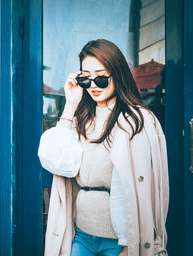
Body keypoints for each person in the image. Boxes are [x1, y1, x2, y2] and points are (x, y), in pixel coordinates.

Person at [38, 39, 169, 256]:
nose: (94, 86)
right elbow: (54, 160)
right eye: (86, 79)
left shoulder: (139, 120)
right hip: (82, 235)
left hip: (120, 240)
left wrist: (130, 247)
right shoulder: (82, 119)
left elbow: (155, 188)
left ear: (117, 75)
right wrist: (70, 105)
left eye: (100, 77)